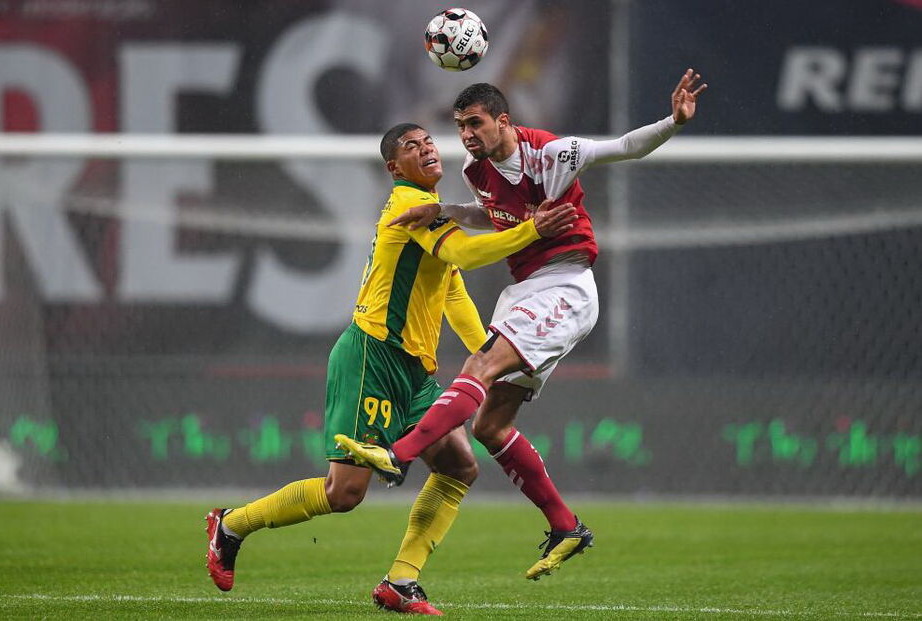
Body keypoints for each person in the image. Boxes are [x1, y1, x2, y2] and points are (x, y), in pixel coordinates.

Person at [336, 69, 707, 581]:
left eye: (474, 123)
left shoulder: (553, 154)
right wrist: (443, 210)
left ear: (502, 120)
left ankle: (397, 455)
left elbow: (625, 147)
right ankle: (566, 525)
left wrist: (674, 121)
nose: (465, 135)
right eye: (459, 125)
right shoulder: (475, 170)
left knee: (479, 365)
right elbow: (493, 215)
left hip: (566, 286)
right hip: (526, 291)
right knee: (490, 425)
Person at [205, 122, 577, 614]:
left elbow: (453, 290)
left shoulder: (432, 212)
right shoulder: (407, 205)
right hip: (372, 356)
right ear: (393, 168)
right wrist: (532, 230)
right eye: (411, 146)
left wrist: (490, 360)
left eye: (428, 142)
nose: (425, 148)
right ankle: (231, 526)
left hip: (415, 372)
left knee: (459, 466)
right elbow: (465, 251)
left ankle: (401, 582)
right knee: (344, 494)